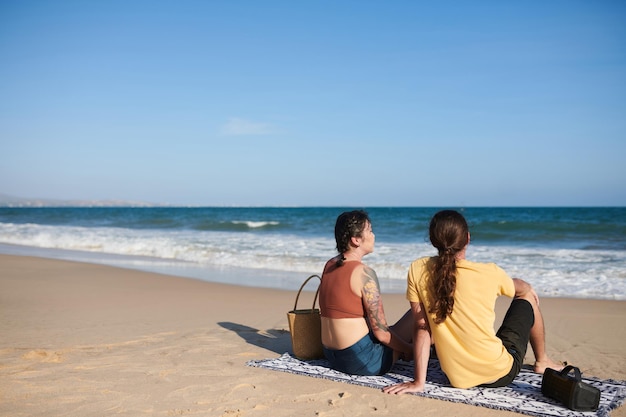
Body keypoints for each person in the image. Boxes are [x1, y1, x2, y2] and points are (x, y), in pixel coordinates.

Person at [384, 209, 563, 394]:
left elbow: (422, 328)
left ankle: (540, 360)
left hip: (457, 378)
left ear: (432, 240)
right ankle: (542, 361)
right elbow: (521, 288)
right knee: (527, 298)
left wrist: (418, 382)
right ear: (467, 238)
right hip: (499, 374)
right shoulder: (489, 273)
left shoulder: (417, 269)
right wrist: (528, 287)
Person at [319, 210, 413, 376]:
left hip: (332, 356)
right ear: (356, 240)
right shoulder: (364, 273)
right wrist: (409, 349)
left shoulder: (330, 264)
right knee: (417, 314)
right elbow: (382, 334)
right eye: (369, 230)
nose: (373, 235)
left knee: (389, 330)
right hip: (362, 361)